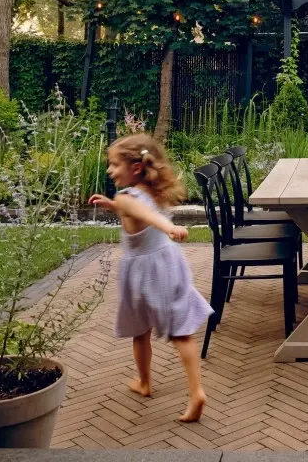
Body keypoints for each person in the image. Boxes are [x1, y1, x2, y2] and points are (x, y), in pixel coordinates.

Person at [89, 133, 212, 423]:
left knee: (140, 330)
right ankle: (195, 392)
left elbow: (144, 213)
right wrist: (111, 205)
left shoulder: (128, 197)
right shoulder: (150, 191)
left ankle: (145, 382)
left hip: (144, 273)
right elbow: (139, 211)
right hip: (169, 263)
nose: (110, 170)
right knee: (182, 332)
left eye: (114, 164)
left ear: (134, 168)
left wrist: (169, 226)